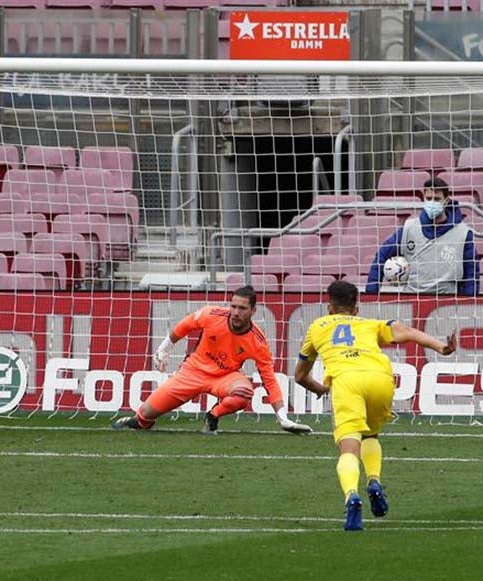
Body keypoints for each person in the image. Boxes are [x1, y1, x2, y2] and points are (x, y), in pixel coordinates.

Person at [294, 281, 456, 531]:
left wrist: (322, 389)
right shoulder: (370, 324)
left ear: (329, 307)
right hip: (381, 378)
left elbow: (300, 376)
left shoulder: (317, 327)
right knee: (370, 434)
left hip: (347, 381)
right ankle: (374, 481)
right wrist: (442, 348)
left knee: (348, 447)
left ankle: (352, 496)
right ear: (356, 308)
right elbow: (408, 332)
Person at [112, 285, 312, 435]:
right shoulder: (211, 314)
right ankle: (140, 421)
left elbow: (269, 379)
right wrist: (163, 350)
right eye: (233, 306)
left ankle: (213, 415)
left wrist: (282, 417)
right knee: (145, 414)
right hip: (192, 372)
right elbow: (184, 326)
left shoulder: (258, 341)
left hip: (225, 377)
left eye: (242, 308)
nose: (235, 312)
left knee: (244, 392)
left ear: (253, 311)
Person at [366, 177, 478, 296]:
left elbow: (471, 272)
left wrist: (469, 303)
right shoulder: (409, 228)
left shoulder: (463, 233)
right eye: (429, 199)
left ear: (446, 201)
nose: (432, 203)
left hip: (447, 300)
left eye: (437, 199)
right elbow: (382, 255)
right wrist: (372, 292)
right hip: (412, 298)